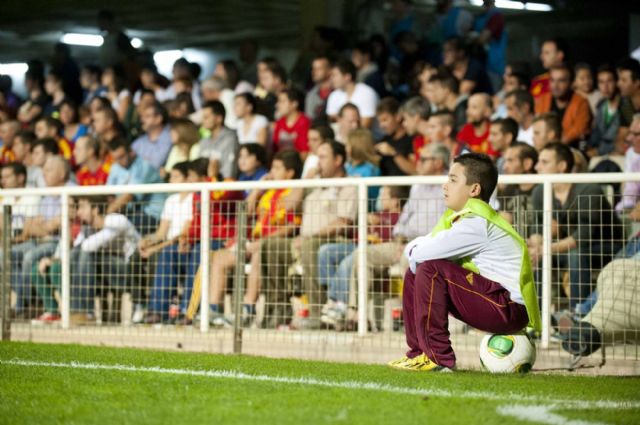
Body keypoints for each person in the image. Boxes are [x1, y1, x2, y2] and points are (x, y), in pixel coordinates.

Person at [389, 153, 541, 372]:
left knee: (431, 268)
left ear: (474, 190)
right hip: (495, 300)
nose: (444, 186)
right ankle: (419, 353)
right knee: (418, 271)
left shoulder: (476, 224)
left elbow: (421, 251)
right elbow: (423, 248)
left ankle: (438, 359)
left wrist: (413, 250)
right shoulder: (466, 219)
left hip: (508, 308)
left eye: (452, 179)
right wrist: (415, 252)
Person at [207, 150, 303, 327]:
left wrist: (261, 243)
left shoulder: (294, 192)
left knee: (260, 254)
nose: (272, 172)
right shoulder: (267, 192)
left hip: (276, 244)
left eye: (277, 168)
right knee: (220, 257)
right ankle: (214, 310)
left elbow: (292, 227)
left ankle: (248, 309)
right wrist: (256, 190)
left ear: (290, 173)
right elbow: (247, 212)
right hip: (254, 242)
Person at [528, 143, 622, 315]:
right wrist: (536, 243)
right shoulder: (540, 191)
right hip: (567, 248)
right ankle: (536, 319)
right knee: (532, 256)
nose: (536, 166)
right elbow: (537, 227)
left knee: (576, 253)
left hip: (606, 248)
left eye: (544, 162)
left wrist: (545, 248)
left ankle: (577, 316)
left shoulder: (588, 189)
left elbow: (583, 237)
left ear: (562, 166)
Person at [141, 162, 195, 324]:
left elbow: (183, 235)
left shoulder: (195, 198)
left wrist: (155, 248)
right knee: (163, 252)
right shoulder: (171, 200)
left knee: (167, 253)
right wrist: (147, 241)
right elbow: (161, 233)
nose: (171, 180)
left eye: (176, 176)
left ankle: (165, 309)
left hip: (186, 246)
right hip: (171, 246)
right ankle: (153, 308)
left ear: (187, 178)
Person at [105, 137, 166, 234]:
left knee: (114, 227)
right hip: (131, 212)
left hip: (152, 214)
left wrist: (106, 214)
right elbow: (108, 193)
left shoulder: (143, 166)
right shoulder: (115, 167)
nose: (119, 161)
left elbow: (128, 196)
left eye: (121, 156)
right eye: (116, 158)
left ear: (130, 152)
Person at [534, 64, 592, 147]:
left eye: (561, 81)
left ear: (572, 83)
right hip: (544, 148)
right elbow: (537, 127)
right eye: (552, 80)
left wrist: (556, 145)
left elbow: (579, 130)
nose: (555, 85)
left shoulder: (581, 103)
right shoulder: (543, 100)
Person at [326, 59, 379, 128]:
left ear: (347, 77)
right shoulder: (334, 95)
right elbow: (332, 122)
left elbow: (365, 125)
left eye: (334, 75)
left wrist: (343, 120)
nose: (331, 79)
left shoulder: (367, 93)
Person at [374, 97, 415, 176]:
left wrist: (393, 153)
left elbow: (413, 170)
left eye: (385, 120)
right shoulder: (383, 141)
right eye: (379, 121)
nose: (381, 125)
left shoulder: (412, 139)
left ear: (398, 117)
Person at [198, 100, 239, 179]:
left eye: (206, 117)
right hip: (203, 187)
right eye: (202, 117)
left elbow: (229, 173)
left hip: (223, 187)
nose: (202, 121)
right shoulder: (204, 141)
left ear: (219, 118)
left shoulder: (230, 139)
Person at [588, 64, 621, 157]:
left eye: (609, 81)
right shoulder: (601, 106)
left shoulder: (625, 106)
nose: (605, 86)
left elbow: (620, 139)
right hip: (599, 154)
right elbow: (596, 134)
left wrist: (598, 151)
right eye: (601, 82)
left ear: (616, 82)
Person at [131, 101, 172, 169]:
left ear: (158, 119)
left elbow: (155, 164)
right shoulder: (139, 142)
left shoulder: (169, 137)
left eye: (147, 116)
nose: (142, 120)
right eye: (142, 117)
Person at [457, 93, 498, 158]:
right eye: (468, 107)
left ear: (487, 111)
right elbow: (459, 156)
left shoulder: (494, 130)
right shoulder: (466, 129)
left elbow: (491, 159)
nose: (468, 111)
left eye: (474, 107)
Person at [272, 88, 311, 157]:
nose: (277, 105)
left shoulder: (304, 122)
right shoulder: (279, 122)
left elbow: (305, 152)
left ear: (294, 104)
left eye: (282, 101)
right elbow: (274, 149)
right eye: (278, 101)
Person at [305, 54, 333, 123]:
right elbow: (309, 120)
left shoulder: (338, 91)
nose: (314, 72)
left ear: (329, 70)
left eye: (319, 69)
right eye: (313, 69)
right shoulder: (311, 95)